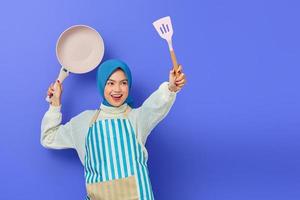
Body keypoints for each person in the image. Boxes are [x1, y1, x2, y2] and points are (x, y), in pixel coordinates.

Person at [41, 59, 186, 200]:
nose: (117, 89)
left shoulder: (137, 118)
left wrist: (171, 87)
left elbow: (156, 105)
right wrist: (55, 104)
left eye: (123, 83)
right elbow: (49, 137)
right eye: (110, 83)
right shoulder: (83, 122)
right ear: (101, 85)